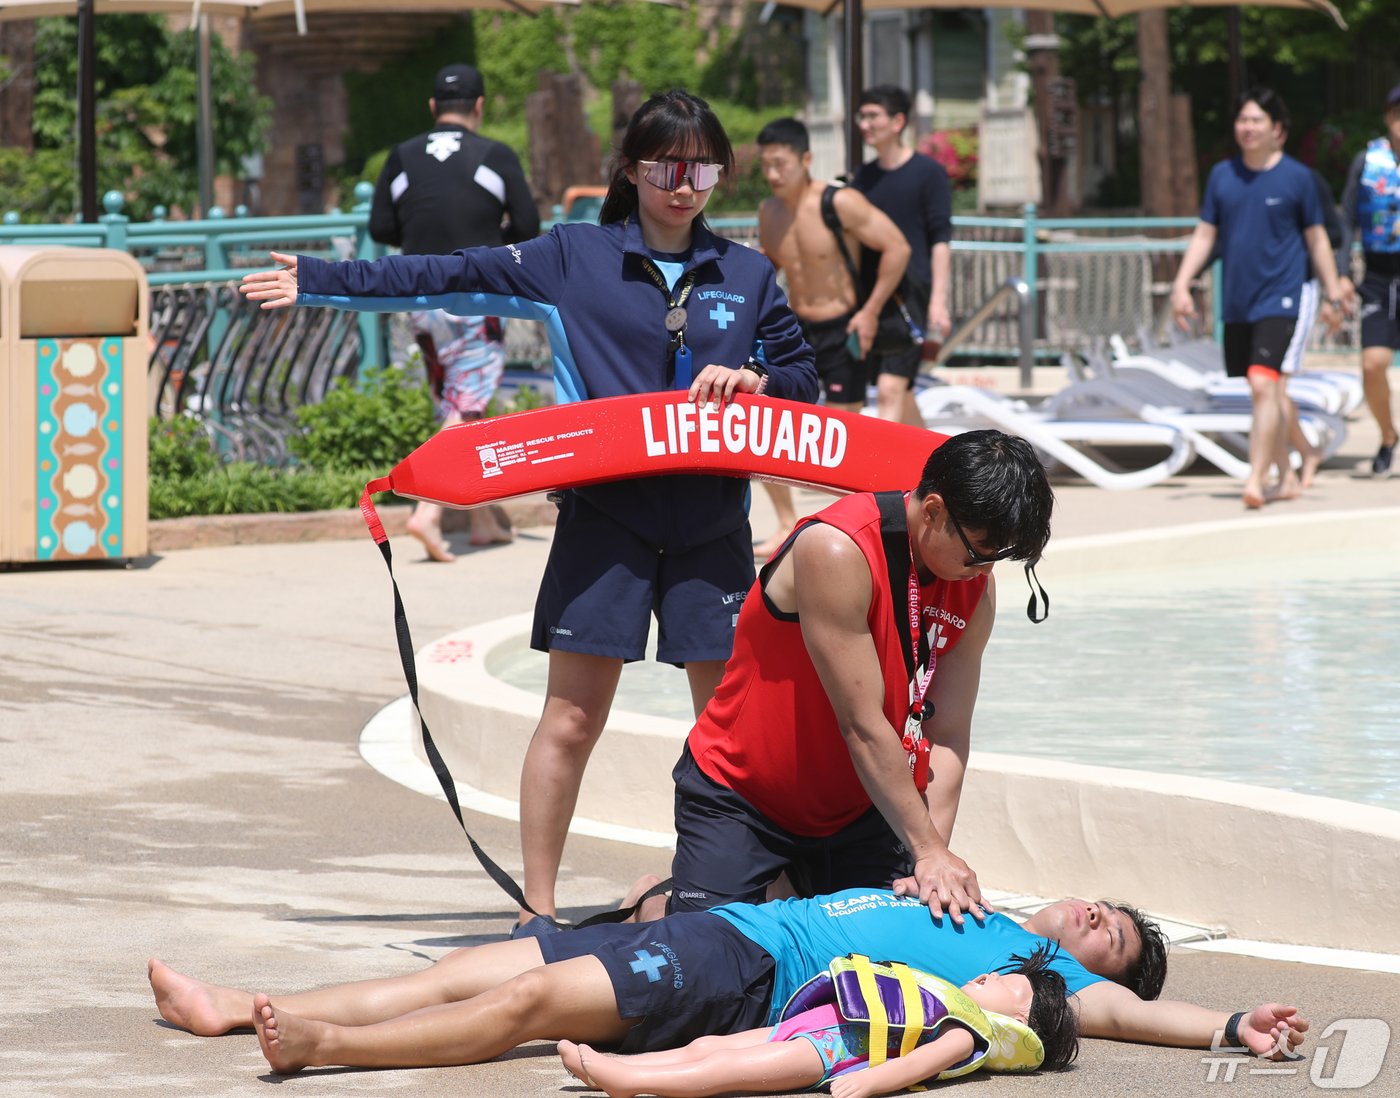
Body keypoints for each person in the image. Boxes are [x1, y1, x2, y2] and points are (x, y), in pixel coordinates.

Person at [240, 90, 818, 938]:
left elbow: (806, 377)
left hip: (710, 528)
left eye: (700, 167)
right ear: (630, 168)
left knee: (726, 724)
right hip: (604, 522)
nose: (683, 184)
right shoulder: (571, 257)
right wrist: (323, 279)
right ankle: (537, 910)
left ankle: (739, 895)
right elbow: (445, 270)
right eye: (665, 165)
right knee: (573, 718)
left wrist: (760, 381)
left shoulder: (746, 272)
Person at [147, 883, 1312, 1077]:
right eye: (1106, 910)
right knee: (468, 967)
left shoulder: (1038, 965)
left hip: (743, 968)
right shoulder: (978, 891)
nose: (1097, 924)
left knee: (524, 1010)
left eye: (1111, 936)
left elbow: (1122, 1014)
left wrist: (1229, 1022)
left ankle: (320, 1048)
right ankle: (230, 1009)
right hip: (727, 922)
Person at [669, 430, 1053, 924]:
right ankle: (657, 901)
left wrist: (930, 859)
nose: (983, 571)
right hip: (745, 796)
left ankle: (776, 890)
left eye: (998, 559)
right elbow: (862, 723)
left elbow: (949, 734)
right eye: (979, 552)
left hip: (862, 810)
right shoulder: (836, 548)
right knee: (710, 970)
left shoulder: (975, 587)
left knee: (895, 967)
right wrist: (926, 848)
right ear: (932, 510)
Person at [368, 62, 540, 558]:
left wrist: (424, 240)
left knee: (455, 404)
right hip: (474, 292)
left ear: (431, 108)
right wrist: (485, 242)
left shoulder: (401, 156)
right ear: (480, 107)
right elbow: (528, 226)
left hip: (419, 295)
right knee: (468, 405)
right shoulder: (495, 154)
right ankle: (427, 511)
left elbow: (381, 226)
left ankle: (481, 518)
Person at [556, 942, 1079, 1098]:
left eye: (1013, 986)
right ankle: (623, 1061)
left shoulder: (968, 1032)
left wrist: (870, 1083)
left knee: (723, 1074)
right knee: (710, 1045)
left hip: (830, 1053)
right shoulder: (951, 1000)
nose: (993, 976)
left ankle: (631, 1081)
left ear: (1019, 1018)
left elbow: (924, 1061)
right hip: (817, 1021)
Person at [1170, 87, 1350, 509]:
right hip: (1239, 300)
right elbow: (1205, 234)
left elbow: (1317, 238)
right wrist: (1182, 284)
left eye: (1257, 120)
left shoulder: (1298, 179)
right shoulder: (1222, 176)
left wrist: (1333, 288)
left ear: (1279, 130)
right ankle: (1288, 473)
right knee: (1264, 389)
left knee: (1263, 383)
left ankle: (1255, 478)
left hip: (1284, 296)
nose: (1247, 127)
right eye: (1242, 120)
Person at [752, 116, 912, 558]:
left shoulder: (839, 202)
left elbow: (897, 246)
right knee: (767, 424)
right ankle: (786, 522)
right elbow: (770, 273)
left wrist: (870, 311)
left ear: (806, 160)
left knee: (844, 437)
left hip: (844, 327)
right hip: (795, 332)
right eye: (765, 166)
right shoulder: (769, 212)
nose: (772, 174)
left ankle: (853, 529)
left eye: (781, 164)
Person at [853, 85, 954, 428]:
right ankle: (934, 463)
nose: (864, 123)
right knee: (900, 391)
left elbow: (940, 238)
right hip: (871, 295)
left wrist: (938, 302)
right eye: (861, 116)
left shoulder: (929, 173)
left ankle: (886, 482)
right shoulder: (862, 176)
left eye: (872, 116)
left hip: (912, 295)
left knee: (890, 389)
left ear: (898, 121)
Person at [1338, 83, 1400, 477]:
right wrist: (1342, 273)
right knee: (1372, 364)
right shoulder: (1367, 160)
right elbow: (1346, 219)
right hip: (1379, 274)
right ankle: (1388, 435)